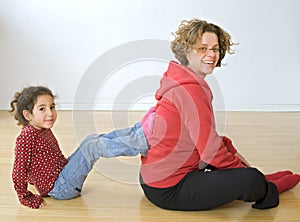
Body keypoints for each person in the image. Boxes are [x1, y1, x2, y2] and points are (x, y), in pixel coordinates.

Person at [138, 18, 300, 210]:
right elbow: (210, 150)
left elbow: (199, 135)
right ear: (187, 51)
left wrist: (232, 154)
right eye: (203, 48)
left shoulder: (178, 80)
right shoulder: (191, 90)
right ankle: (268, 187)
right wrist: (245, 175)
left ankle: (259, 179)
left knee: (235, 165)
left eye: (215, 49)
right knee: (251, 178)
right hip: (169, 189)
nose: (211, 54)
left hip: (153, 180)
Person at [10, 86, 149, 209]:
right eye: (42, 109)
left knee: (90, 139)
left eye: (52, 107)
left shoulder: (40, 128)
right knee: (91, 148)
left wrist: (34, 180)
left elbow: (34, 162)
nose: (50, 113)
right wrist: (26, 197)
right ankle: (142, 142)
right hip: (61, 188)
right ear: (27, 115)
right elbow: (19, 169)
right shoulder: (26, 137)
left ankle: (138, 131)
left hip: (61, 174)